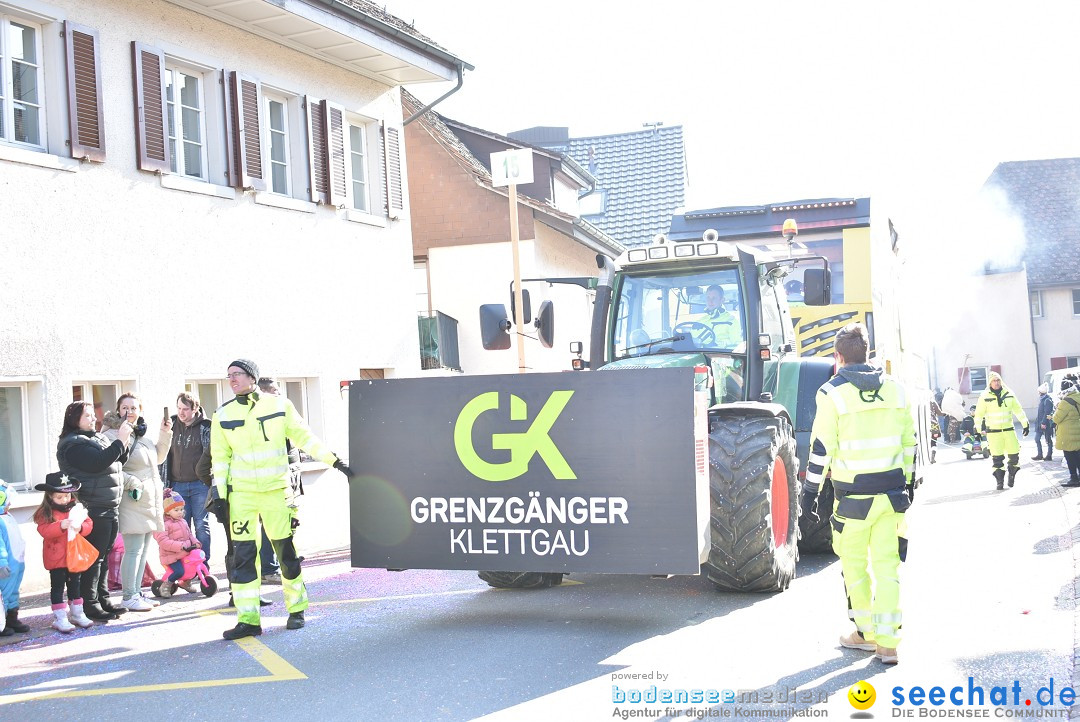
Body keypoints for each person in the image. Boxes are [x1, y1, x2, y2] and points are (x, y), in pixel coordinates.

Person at [209, 359, 354, 640]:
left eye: (237, 374)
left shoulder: (279, 405)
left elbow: (304, 437)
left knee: (285, 554)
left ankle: (297, 609)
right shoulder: (222, 415)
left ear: (252, 377)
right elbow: (220, 458)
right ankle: (248, 620)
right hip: (242, 497)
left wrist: (334, 461)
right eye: (228, 376)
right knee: (243, 559)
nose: (232, 380)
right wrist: (220, 495)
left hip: (276, 492)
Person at [800, 322, 914, 666]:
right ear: (867, 353)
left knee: (854, 567)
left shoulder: (831, 394)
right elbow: (909, 444)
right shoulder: (897, 390)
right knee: (888, 568)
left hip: (852, 501)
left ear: (838, 357)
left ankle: (864, 634)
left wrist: (809, 494)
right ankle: (888, 644)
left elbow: (821, 449)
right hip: (892, 497)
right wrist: (905, 486)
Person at [56, 400, 132, 621]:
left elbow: (117, 459)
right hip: (93, 506)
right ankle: (89, 604)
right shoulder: (73, 444)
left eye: (92, 414)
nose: (93, 419)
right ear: (74, 420)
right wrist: (120, 440)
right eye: (87, 415)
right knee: (93, 558)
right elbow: (98, 462)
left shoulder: (95, 437)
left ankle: (103, 599)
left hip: (108, 504)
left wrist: (123, 443)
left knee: (104, 556)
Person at [100, 393, 170, 611]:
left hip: (149, 499)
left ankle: (137, 593)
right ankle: (129, 596)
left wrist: (165, 433)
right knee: (133, 550)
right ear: (118, 410)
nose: (130, 411)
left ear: (140, 411)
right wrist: (133, 482)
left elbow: (157, 459)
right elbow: (110, 466)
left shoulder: (142, 435)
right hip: (132, 498)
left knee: (143, 548)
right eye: (125, 407)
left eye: (134, 407)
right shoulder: (112, 435)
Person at [256, 377, 304, 585]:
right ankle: (269, 567)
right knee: (271, 527)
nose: (280, 395)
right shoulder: (264, 420)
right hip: (273, 484)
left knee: (287, 524)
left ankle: (283, 560)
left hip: (289, 479)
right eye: (276, 391)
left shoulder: (281, 415)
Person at [33, 473, 95, 632]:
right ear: (50, 497)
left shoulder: (76, 508)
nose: (64, 500)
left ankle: (77, 613)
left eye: (66, 496)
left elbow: (88, 524)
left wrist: (80, 527)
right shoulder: (45, 512)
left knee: (75, 584)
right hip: (56, 558)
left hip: (74, 556)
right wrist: (61, 526)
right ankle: (60, 617)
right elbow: (44, 530)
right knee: (58, 587)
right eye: (59, 497)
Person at [161, 392, 213, 563]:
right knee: (181, 528)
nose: (181, 412)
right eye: (179, 408)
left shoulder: (206, 427)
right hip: (177, 486)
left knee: (201, 525)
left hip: (200, 485)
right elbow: (162, 453)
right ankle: (185, 565)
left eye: (185, 409)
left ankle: (202, 563)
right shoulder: (172, 424)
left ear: (195, 408)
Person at [973, 371, 1029, 490]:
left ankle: (1012, 475)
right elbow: (978, 415)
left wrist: (1025, 424)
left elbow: (1018, 410)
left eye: (998, 380)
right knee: (997, 458)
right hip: (993, 433)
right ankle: (999, 481)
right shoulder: (984, 396)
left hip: (1009, 430)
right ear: (990, 383)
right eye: (994, 381)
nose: (996, 383)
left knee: (1014, 456)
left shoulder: (1009, 394)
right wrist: (977, 431)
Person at [153, 491, 201, 595]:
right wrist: (180, 546)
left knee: (193, 567)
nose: (180, 512)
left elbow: (190, 535)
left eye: (181, 509)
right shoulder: (164, 525)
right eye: (176, 510)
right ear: (167, 511)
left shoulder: (183, 522)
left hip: (184, 553)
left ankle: (185, 582)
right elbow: (163, 542)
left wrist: (195, 542)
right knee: (179, 571)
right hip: (171, 556)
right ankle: (166, 585)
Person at [0, 479, 29, 635]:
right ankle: (1, 623)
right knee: (3, 595)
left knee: (13, 593)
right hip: (6, 567)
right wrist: (2, 563)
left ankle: (12, 618)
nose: (10, 504)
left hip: (16, 563)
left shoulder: (7, 516)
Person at [694, 284, 742, 349]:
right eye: (708, 297)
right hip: (700, 355)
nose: (710, 301)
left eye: (714, 298)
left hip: (721, 356)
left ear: (722, 300)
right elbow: (692, 341)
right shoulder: (700, 321)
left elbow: (737, 346)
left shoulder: (731, 320)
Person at [1052, 377, 1080, 487]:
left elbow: (1056, 419)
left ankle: (1074, 478)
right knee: (1078, 455)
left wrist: (1056, 409)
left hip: (1067, 434)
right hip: (1077, 430)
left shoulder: (1064, 402)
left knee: (1069, 456)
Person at [1032, 383, 1055, 461]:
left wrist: (1043, 423)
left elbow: (1047, 413)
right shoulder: (1042, 399)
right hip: (1039, 423)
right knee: (1037, 439)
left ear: (1041, 392)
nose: (1038, 393)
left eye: (1039, 392)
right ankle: (1040, 454)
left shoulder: (1047, 400)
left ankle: (1049, 455)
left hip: (1045, 424)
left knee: (1048, 439)